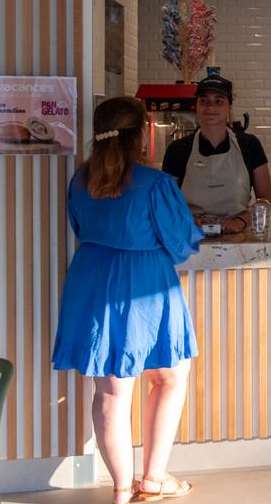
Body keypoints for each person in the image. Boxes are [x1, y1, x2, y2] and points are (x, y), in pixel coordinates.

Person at [52, 96, 203, 503]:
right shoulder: (156, 184)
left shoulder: (80, 180)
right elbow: (182, 243)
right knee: (170, 377)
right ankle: (152, 479)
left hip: (91, 282)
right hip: (144, 284)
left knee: (111, 392)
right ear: (140, 135)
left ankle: (122, 490)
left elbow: (80, 227)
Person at [162, 76, 271, 235]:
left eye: (218, 101)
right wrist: (187, 219)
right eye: (204, 101)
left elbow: (265, 199)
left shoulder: (250, 145)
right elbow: (167, 202)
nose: (210, 107)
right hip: (191, 239)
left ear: (229, 107)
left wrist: (241, 221)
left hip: (239, 238)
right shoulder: (177, 150)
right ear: (196, 106)